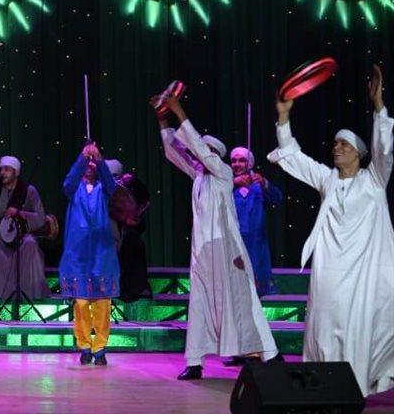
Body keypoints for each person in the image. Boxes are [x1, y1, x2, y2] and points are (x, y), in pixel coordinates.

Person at [267, 65, 394, 397]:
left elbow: (384, 149)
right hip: (329, 268)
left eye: (344, 145)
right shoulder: (328, 179)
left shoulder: (374, 181)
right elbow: (294, 157)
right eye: (335, 143)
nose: (336, 148)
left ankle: (354, 386)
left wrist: (378, 105)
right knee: (323, 325)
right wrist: (284, 116)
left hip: (363, 272)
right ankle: (321, 382)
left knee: (357, 326)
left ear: (359, 154)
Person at [155, 93, 277, 380]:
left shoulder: (222, 173)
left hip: (227, 251)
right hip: (202, 254)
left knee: (242, 301)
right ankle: (195, 361)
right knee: (199, 305)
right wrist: (162, 119)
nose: (197, 156)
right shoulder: (198, 177)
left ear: (214, 155)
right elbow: (174, 152)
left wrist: (179, 111)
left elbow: (197, 148)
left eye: (205, 152)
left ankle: (270, 354)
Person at [59, 142, 120, 365]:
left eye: (93, 165)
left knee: (102, 304)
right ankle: (84, 345)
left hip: (101, 252)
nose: (90, 167)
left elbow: (113, 186)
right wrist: (83, 156)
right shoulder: (74, 190)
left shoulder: (104, 190)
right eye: (87, 164)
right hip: (78, 252)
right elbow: (68, 182)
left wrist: (100, 159)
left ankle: (100, 348)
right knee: (82, 303)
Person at [0, 156, 49, 300]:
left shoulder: (29, 190)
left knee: (30, 243)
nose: (2, 173)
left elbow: (41, 217)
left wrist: (19, 213)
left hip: (22, 237)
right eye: (0, 169)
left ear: (16, 172)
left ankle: (28, 295)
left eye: (6, 169)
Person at [229, 147, 282, 299]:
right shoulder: (227, 183)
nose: (237, 164)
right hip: (234, 239)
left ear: (250, 163)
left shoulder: (258, 182)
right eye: (234, 161)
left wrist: (265, 183)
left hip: (256, 240)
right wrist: (232, 183)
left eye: (242, 160)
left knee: (257, 282)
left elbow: (277, 198)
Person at [108, 161, 152, 301]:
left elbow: (138, 224)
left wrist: (134, 219)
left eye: (116, 176)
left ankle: (136, 288)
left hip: (121, 248)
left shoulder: (127, 194)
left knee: (133, 241)